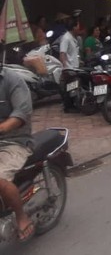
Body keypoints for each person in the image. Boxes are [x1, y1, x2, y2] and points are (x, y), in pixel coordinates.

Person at [0, 47, 36, 241]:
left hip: (14, 141)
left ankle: (21, 216)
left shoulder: (12, 79)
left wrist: (3, 128)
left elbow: (21, 114)